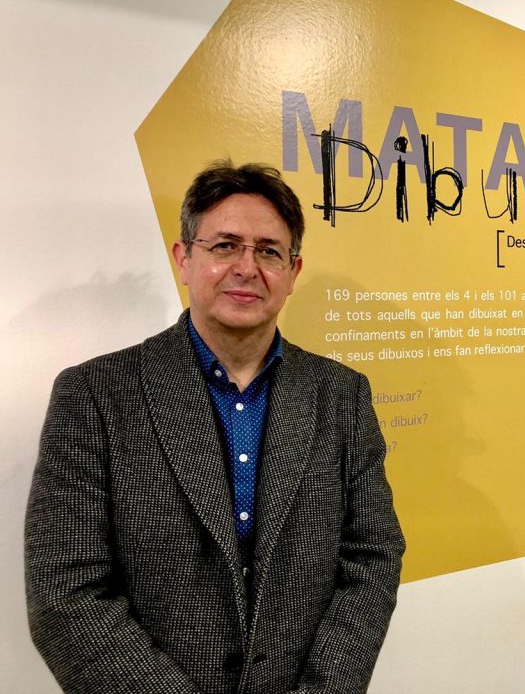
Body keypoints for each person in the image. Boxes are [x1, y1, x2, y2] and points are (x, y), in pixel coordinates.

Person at [25, 161, 404, 694]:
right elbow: (65, 593)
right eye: (225, 246)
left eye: (268, 251)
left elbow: (373, 556)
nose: (247, 268)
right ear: (184, 258)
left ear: (293, 272)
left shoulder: (342, 395)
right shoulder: (94, 395)